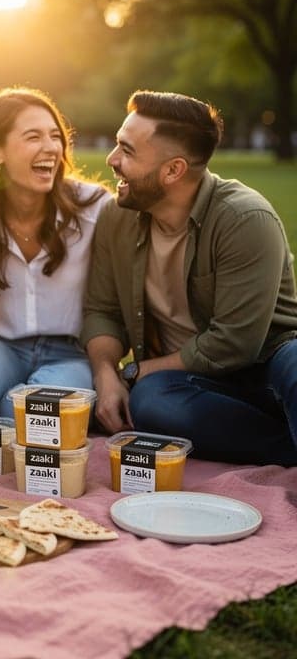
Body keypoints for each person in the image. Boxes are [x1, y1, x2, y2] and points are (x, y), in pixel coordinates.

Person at [81, 90, 297, 466]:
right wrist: (105, 374)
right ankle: (285, 447)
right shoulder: (117, 217)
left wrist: (135, 370)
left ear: (173, 170)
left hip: (266, 368)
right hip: (187, 383)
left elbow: (234, 344)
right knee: (152, 403)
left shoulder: (245, 219)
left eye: (127, 151)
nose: (111, 160)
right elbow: (102, 310)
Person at [0, 86, 111, 417]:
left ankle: (9, 403)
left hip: (70, 352)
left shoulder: (94, 207)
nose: (51, 148)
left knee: (27, 419)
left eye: (55, 136)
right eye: (33, 137)